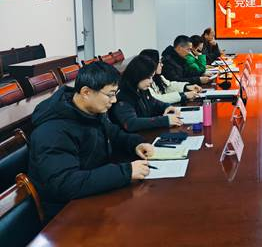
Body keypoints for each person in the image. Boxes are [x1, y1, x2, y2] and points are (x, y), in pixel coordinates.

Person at [28, 62, 154, 221]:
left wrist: (136, 144)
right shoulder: (52, 131)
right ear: (86, 92)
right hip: (67, 214)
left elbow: (113, 133)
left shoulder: (90, 110)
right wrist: (125, 172)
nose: (114, 100)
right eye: (110, 94)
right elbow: (65, 184)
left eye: (116, 93)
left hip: (92, 194)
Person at [111, 55, 183, 132]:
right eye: (149, 77)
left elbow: (154, 103)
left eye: (152, 77)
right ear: (138, 75)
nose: (151, 81)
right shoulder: (123, 96)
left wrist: (168, 107)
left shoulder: (141, 89)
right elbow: (131, 123)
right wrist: (164, 120)